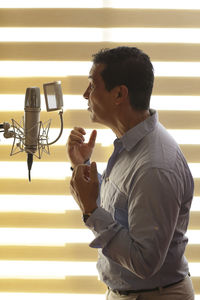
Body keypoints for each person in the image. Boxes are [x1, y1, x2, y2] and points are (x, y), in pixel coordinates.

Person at [67, 47, 195, 300]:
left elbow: (144, 262)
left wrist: (91, 211)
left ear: (119, 94)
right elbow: (123, 208)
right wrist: (83, 165)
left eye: (92, 86)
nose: (85, 95)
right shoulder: (131, 146)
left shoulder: (155, 166)